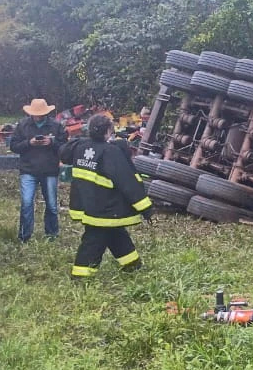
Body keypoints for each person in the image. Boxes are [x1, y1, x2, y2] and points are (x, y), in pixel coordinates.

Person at [59, 114, 153, 278]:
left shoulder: (80, 146)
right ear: (109, 131)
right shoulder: (110, 152)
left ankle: (132, 264)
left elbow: (64, 153)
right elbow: (127, 182)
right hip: (105, 207)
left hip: (86, 203)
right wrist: (145, 207)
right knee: (94, 240)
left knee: (115, 233)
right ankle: (81, 276)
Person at [9, 98, 68, 242]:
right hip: (28, 170)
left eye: (40, 114)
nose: (37, 117)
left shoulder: (56, 126)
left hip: (50, 170)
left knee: (52, 205)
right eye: (35, 114)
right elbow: (13, 146)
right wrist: (29, 143)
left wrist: (52, 142)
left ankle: (52, 235)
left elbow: (65, 147)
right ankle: (24, 236)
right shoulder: (22, 125)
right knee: (27, 203)